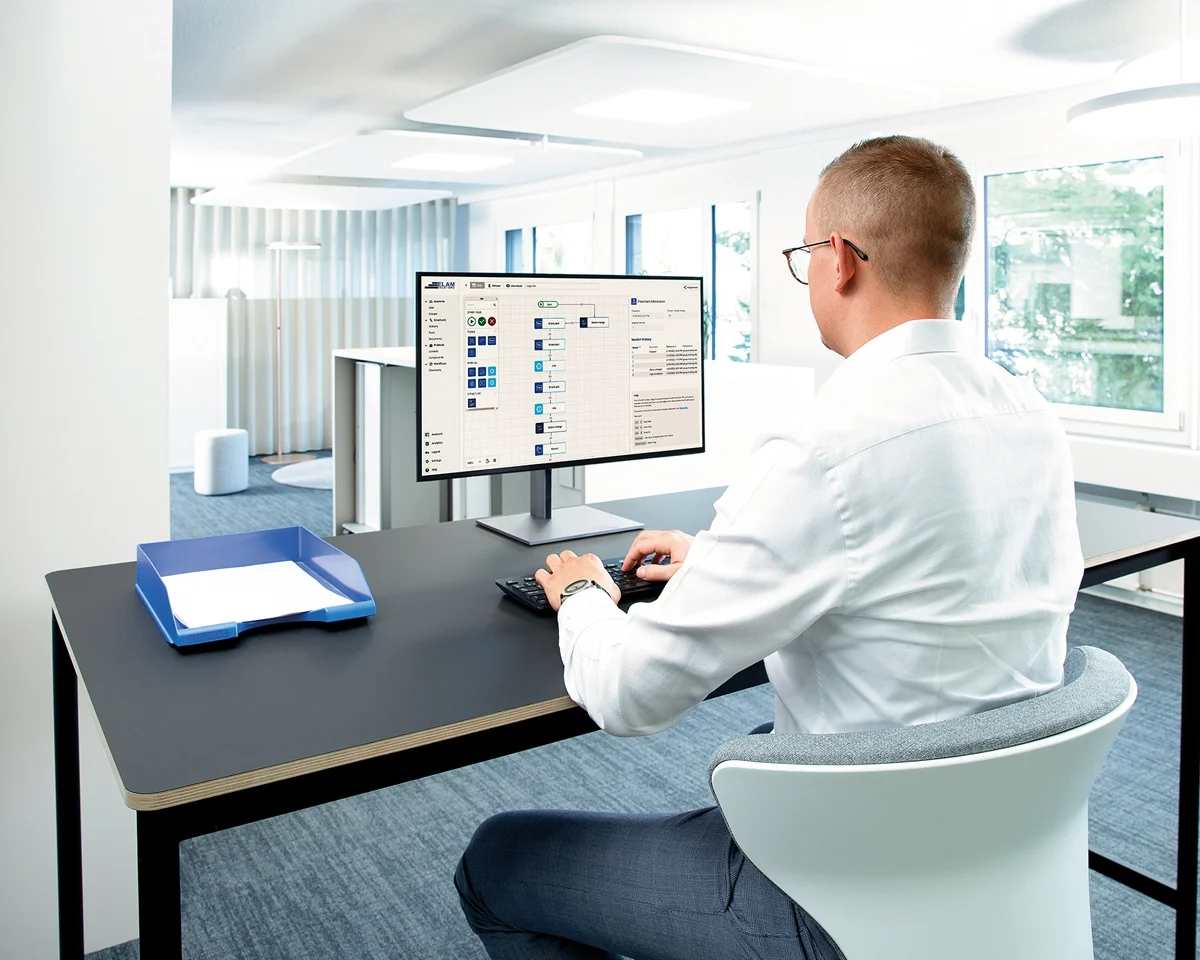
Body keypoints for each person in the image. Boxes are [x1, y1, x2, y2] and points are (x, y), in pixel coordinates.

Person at [454, 135, 1084, 960]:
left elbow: (630, 697)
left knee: (498, 860)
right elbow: (903, 564)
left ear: (838, 261)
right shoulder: (1029, 414)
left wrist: (581, 596)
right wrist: (722, 558)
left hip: (845, 900)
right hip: (996, 852)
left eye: (802, 257)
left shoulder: (824, 446)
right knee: (756, 744)